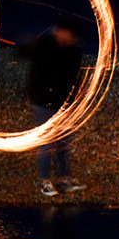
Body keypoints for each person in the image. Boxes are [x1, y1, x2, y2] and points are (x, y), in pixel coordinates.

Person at [23, 19, 87, 197]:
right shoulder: (43, 46)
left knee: (64, 142)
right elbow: (26, 58)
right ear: (60, 31)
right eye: (70, 34)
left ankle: (64, 178)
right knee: (47, 142)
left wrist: (74, 101)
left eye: (74, 36)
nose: (72, 38)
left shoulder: (73, 51)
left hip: (64, 104)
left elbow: (75, 78)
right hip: (43, 102)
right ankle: (45, 181)